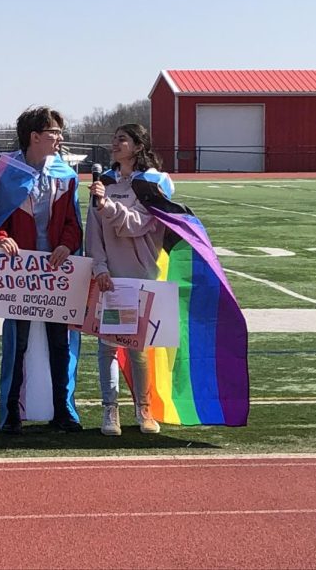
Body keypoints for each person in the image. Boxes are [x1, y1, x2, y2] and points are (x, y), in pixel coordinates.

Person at [0, 107, 83, 434]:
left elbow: (74, 222)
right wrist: (2, 239)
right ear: (35, 136)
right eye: (54, 132)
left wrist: (66, 245)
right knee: (18, 343)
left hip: (58, 272)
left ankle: (64, 411)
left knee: (62, 343)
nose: (59, 138)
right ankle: (12, 412)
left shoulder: (66, 175)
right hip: (21, 273)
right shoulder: (8, 171)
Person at [86, 123, 175, 436]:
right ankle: (110, 410)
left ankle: (144, 409)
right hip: (111, 277)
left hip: (140, 277)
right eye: (114, 139)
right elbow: (93, 231)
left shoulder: (153, 184)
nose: (115, 144)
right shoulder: (104, 183)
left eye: (122, 139)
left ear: (139, 146)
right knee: (107, 348)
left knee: (137, 349)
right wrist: (99, 267)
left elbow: (139, 224)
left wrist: (107, 205)